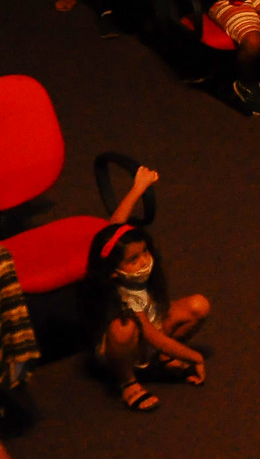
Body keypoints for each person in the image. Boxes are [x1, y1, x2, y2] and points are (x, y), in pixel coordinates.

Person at [83, 177, 211, 415]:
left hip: (150, 332)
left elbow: (116, 226)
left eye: (144, 252)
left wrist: (137, 188)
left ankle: (160, 359)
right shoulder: (121, 294)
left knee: (198, 306)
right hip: (129, 344)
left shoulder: (133, 274)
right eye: (134, 259)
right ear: (112, 270)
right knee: (124, 330)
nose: (144, 260)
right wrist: (195, 357)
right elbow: (153, 336)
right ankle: (127, 381)